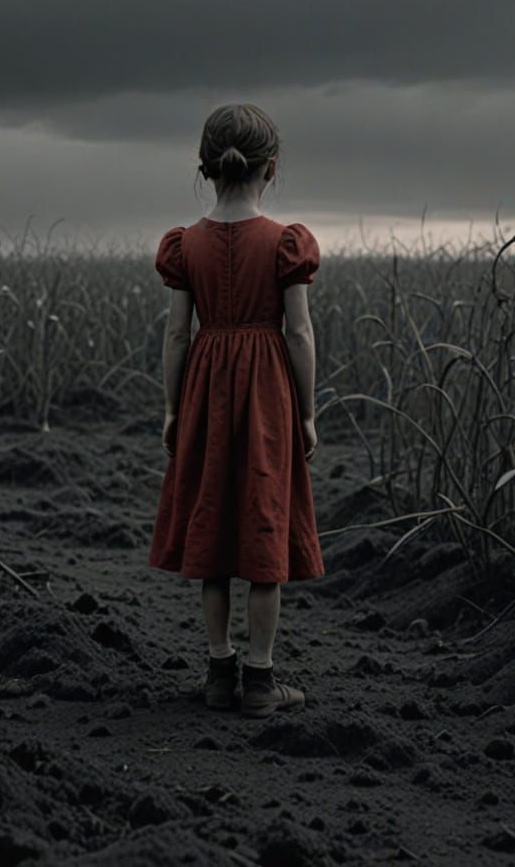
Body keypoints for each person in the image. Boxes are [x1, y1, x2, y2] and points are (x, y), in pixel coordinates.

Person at [149, 101, 325, 718]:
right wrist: (305, 413)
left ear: (206, 167)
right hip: (268, 396)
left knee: (214, 526)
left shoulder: (185, 245)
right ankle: (260, 681)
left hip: (205, 392)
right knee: (263, 524)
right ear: (270, 169)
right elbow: (299, 335)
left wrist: (173, 409)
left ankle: (218, 673)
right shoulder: (285, 244)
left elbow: (176, 335)